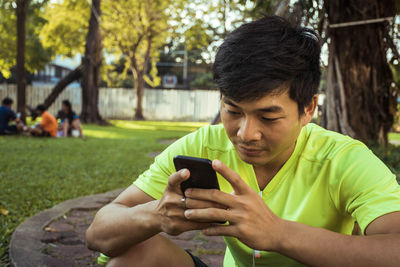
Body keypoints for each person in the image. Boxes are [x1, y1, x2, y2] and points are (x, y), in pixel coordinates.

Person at [86, 16, 400, 267]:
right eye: (233, 111)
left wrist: (278, 233)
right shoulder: (204, 145)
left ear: (308, 109)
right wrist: (155, 214)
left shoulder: (344, 160)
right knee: (130, 257)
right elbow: (98, 233)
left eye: (268, 117)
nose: (245, 134)